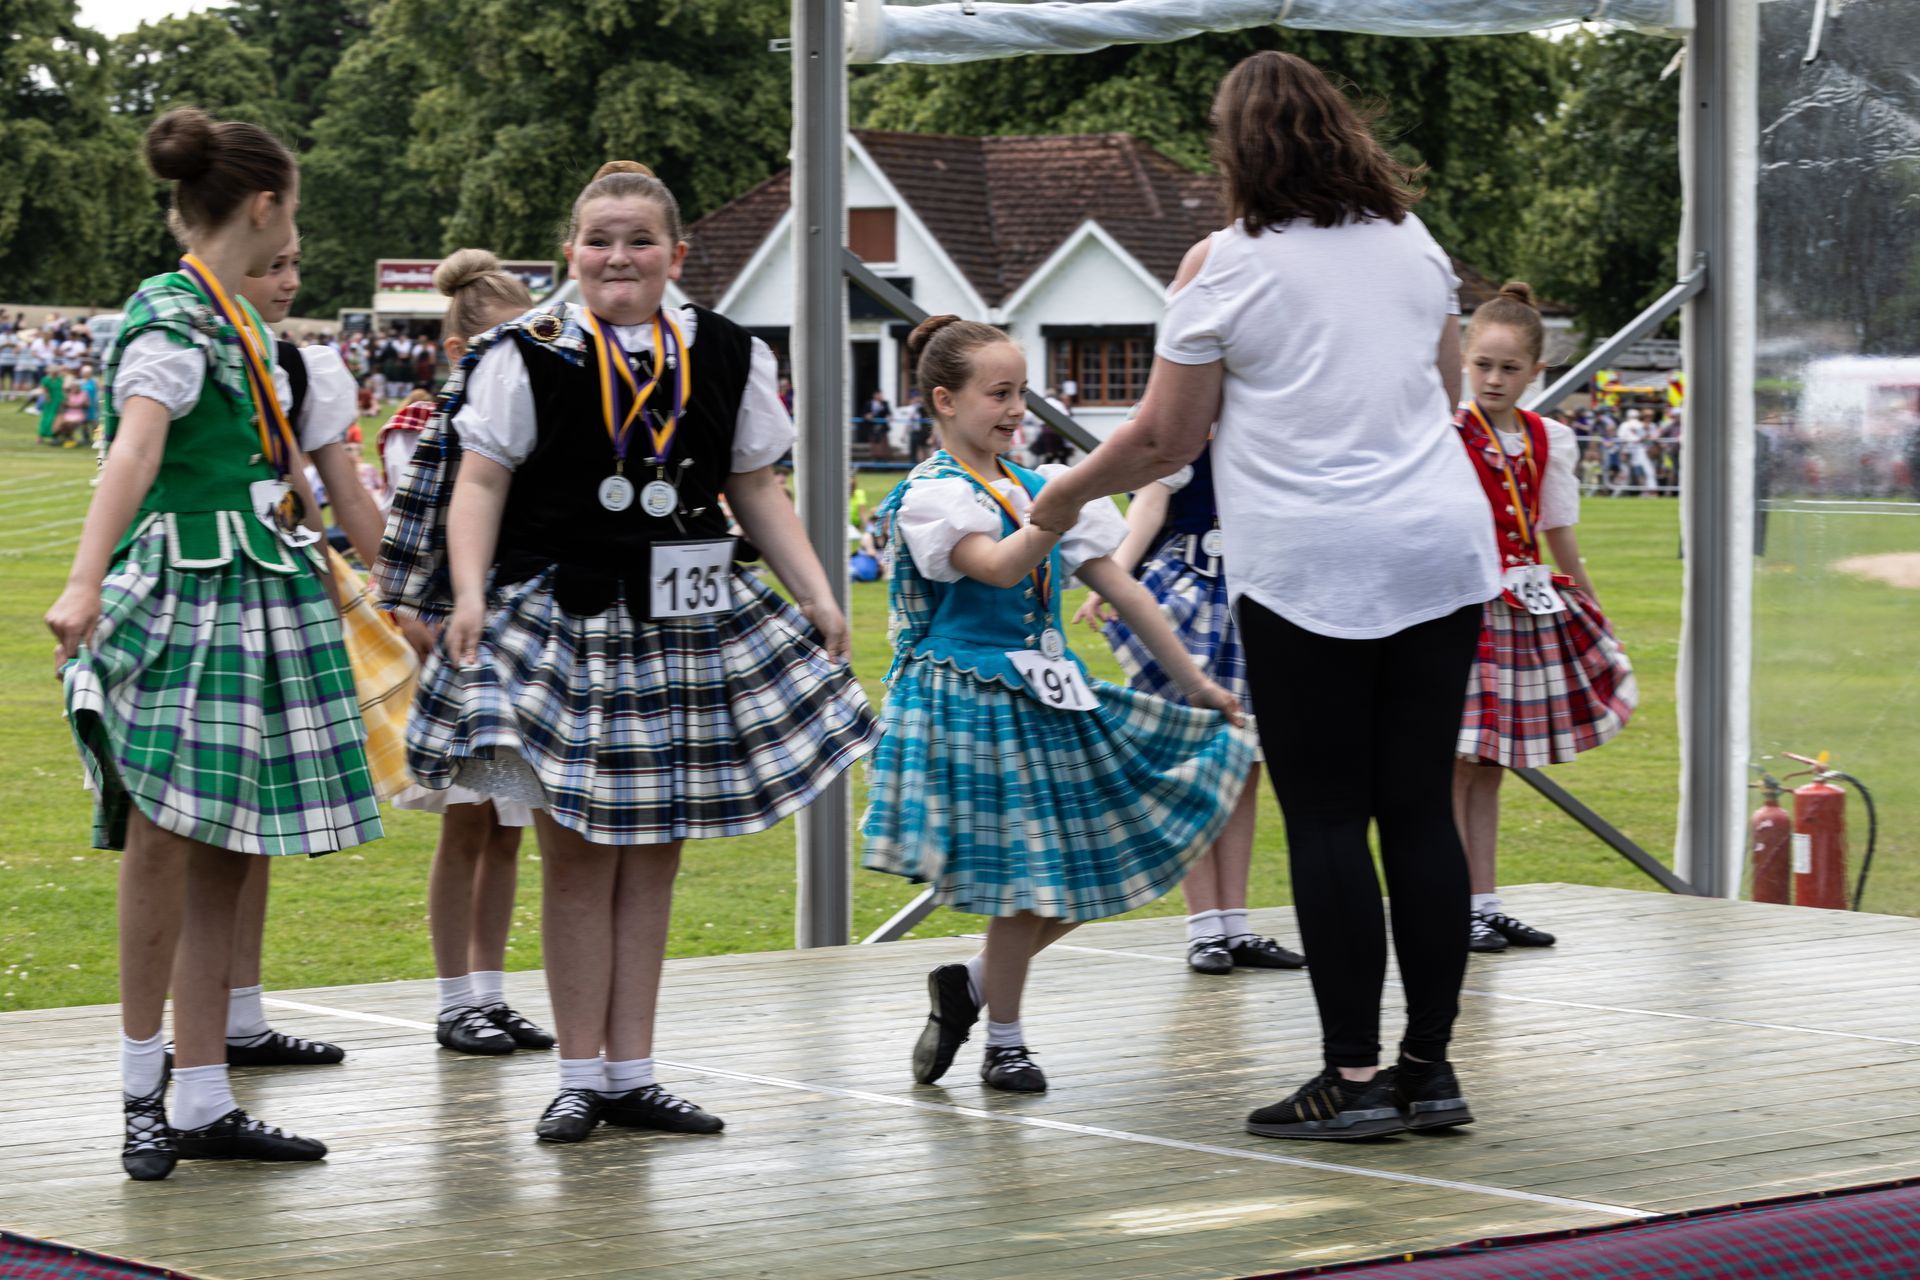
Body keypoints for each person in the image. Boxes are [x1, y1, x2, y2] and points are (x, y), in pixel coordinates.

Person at [1031, 50, 1500, 1142]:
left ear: (1236, 149)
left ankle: (1352, 1075)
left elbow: (1167, 437)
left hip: (1310, 565)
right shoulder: (1415, 244)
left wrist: (1059, 496)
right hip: (1438, 548)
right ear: (1343, 130)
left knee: (1328, 816)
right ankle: (1430, 1070)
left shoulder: (1223, 264)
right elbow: (1440, 392)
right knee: (1417, 809)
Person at [389, 161, 879, 1142]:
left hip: (682, 624)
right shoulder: (524, 352)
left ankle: (632, 1074)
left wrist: (818, 591)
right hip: (562, 623)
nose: (619, 257)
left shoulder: (727, 351)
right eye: (600, 240)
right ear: (572, 252)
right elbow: (480, 481)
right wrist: (469, 590)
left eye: (640, 240)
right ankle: (580, 1076)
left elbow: (756, 485)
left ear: (676, 254)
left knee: (655, 854)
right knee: (574, 854)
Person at [46, 108, 379, 1182]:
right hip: (190, 590)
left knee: (233, 843)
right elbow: (135, 453)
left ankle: (201, 1093)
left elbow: (295, 477)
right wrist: (84, 579)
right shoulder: (173, 320)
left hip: (257, 586)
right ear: (265, 205)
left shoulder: (245, 325)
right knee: (162, 840)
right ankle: (142, 1092)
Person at [864, 315, 1255, 1095]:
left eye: (1022, 393)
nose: (1016, 409)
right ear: (944, 401)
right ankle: (1004, 1042)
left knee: (1103, 853)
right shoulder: (935, 496)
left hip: (1050, 695)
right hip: (972, 703)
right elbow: (998, 569)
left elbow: (1125, 589)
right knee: (1025, 878)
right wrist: (1057, 509)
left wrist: (1197, 684)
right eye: (998, 394)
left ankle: (974, 986)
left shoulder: (1040, 486)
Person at [386, 249, 552, 1056]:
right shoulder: (431, 429)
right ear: (459, 350)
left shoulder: (534, 420)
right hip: (462, 639)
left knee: (508, 825)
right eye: (502, 341)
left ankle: (490, 991)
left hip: (519, 641)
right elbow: (413, 536)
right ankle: (455, 999)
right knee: (467, 822)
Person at [1452, 283, 1637, 955]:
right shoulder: (1446, 431)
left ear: (1536, 371)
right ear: (1464, 361)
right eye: (1483, 365)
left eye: (1509, 368)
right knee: (1457, 762)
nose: (1494, 380)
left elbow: (1558, 533)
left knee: (1491, 764)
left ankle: (1485, 902)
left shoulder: (1546, 439)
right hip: (1459, 610)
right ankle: (1453, 906)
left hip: (1518, 611)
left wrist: (1591, 603)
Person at [1073, 441, 1305, 976]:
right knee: (1194, 756)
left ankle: (1236, 926)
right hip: (1192, 595)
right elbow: (1150, 503)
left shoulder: (1269, 423)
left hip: (1255, 592)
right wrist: (1116, 575)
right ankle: (1204, 927)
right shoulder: (1184, 426)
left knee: (1246, 758)